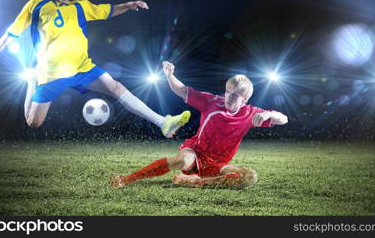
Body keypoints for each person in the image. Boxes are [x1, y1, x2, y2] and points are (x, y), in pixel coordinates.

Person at [0, 0, 190, 137]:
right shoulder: (36, 4)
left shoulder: (80, 7)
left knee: (116, 87)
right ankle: (31, 82)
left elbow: (108, 10)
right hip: (50, 75)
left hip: (82, 67)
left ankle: (163, 122)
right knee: (34, 123)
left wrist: (129, 5)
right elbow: (15, 29)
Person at [110, 61, 288, 189]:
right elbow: (182, 90)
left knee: (248, 177)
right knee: (181, 161)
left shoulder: (251, 113)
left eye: (234, 96)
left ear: (245, 99)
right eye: (227, 92)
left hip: (218, 163)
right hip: (196, 151)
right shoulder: (211, 101)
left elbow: (284, 119)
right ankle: (125, 179)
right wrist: (170, 75)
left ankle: (192, 181)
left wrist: (269, 114)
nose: (228, 97)